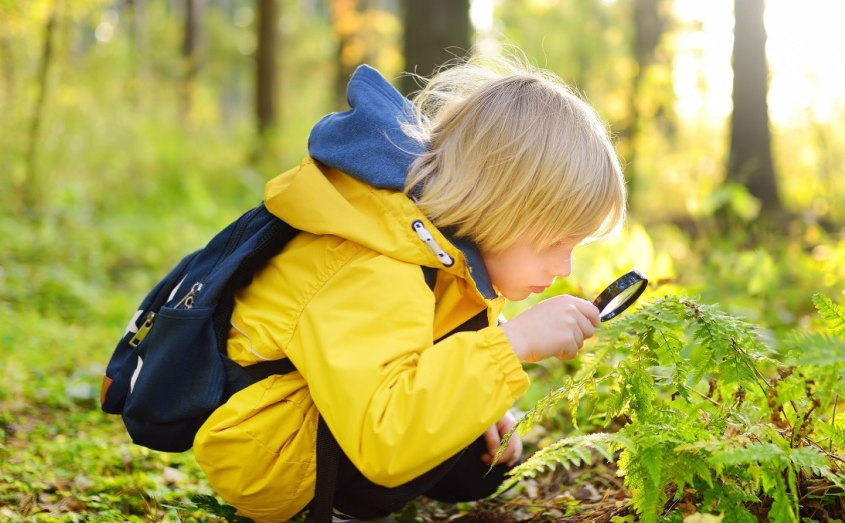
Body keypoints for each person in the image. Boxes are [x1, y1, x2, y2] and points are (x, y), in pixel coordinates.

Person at [192, 52, 627, 523]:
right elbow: (386, 432)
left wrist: (478, 405)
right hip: (270, 457)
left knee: (479, 463)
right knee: (428, 441)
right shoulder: (373, 263)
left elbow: (419, 343)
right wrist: (511, 344)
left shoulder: (442, 252)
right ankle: (336, 508)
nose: (563, 266)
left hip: (336, 419)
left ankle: (359, 494)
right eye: (556, 242)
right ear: (500, 206)